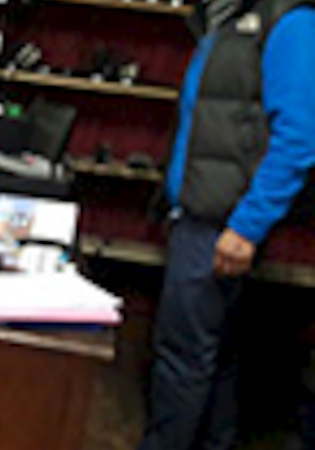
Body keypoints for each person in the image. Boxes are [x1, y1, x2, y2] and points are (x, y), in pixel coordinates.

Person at [139, 0, 315, 448]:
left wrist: (248, 226)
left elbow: (299, 138)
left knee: (182, 358)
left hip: (222, 222)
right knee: (211, 358)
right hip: (199, 214)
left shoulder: (289, 22)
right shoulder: (227, 18)